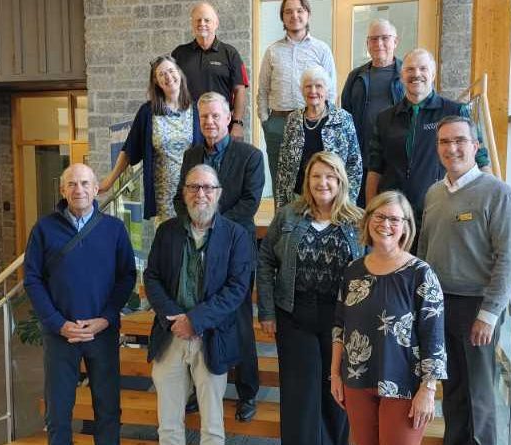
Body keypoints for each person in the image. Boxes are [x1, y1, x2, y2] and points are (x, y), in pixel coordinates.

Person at [418, 116, 511, 445]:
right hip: (439, 305)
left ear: (475, 146)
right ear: (437, 149)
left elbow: (509, 259)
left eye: (460, 140)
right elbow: (423, 250)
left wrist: (488, 314)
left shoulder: (498, 194)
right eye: (444, 142)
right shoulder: (434, 193)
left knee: (479, 397)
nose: (452, 148)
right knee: (454, 392)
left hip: (476, 307)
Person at [24, 163, 137, 445]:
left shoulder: (114, 229)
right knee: (58, 412)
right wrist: (57, 323)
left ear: (96, 189)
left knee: (108, 408)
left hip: (102, 333)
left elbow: (126, 277)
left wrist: (107, 318)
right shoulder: (44, 229)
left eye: (85, 183)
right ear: (62, 190)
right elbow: (32, 280)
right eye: (72, 184)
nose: (79, 190)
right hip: (61, 335)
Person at [257, 152, 363, 445]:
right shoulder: (288, 215)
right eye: (316, 176)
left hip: (341, 320)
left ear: (340, 180)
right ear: (307, 180)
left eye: (330, 176)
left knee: (336, 391)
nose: (323, 182)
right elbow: (265, 260)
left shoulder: (358, 221)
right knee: (299, 395)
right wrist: (266, 311)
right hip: (294, 315)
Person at [145, 164, 253, 445]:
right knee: (168, 425)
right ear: (184, 193)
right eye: (193, 187)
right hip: (170, 335)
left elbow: (236, 289)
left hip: (211, 336)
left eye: (207, 188)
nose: (200, 194)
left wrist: (195, 320)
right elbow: (152, 276)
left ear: (218, 194)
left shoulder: (236, 236)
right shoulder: (167, 231)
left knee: (212, 426)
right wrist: (173, 318)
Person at [174, 91, 265, 422]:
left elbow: (248, 205)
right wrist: (194, 227)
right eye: (204, 118)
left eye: (215, 116)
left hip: (234, 250)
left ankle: (247, 392)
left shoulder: (251, 156)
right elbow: (178, 198)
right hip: (195, 250)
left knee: (238, 322)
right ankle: (200, 390)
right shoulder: (191, 156)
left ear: (229, 118)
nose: (209, 122)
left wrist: (211, 226)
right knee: (201, 319)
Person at [330, 190, 447, 445]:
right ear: (368, 220)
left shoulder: (420, 274)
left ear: (406, 227)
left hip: (404, 385)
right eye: (379, 216)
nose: (385, 225)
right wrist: (335, 375)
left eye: (395, 219)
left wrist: (428, 390)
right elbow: (340, 327)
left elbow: (434, 339)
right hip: (357, 382)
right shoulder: (353, 271)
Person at [365, 48, 490, 233]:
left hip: (440, 213)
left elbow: (480, 160)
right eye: (410, 69)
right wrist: (371, 213)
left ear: (432, 74)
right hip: (394, 217)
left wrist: (491, 204)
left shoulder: (455, 112)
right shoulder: (384, 119)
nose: (416, 74)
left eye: (423, 69)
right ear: (401, 76)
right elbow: (375, 170)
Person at [100, 55, 203, 223]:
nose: (168, 77)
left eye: (171, 71)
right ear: (156, 81)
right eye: (162, 74)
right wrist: (109, 182)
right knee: (168, 245)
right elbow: (129, 150)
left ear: (179, 72)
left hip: (195, 194)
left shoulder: (198, 110)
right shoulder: (147, 112)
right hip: (163, 197)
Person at [258, 0, 336, 196]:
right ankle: (283, 225)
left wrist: (325, 120)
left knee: (313, 179)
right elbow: (263, 89)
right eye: (288, 12)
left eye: (299, 10)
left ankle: (311, 225)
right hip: (278, 123)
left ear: (308, 14)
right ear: (283, 17)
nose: (294, 16)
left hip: (311, 122)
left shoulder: (322, 49)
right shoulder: (272, 51)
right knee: (281, 183)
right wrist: (266, 120)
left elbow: (331, 90)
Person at [275, 66, 362, 209]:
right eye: (308, 86)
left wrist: (348, 201)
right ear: (302, 90)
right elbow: (283, 166)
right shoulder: (293, 119)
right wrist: (281, 206)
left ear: (326, 90)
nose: (313, 91)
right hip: (298, 198)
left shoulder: (343, 118)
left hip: (333, 199)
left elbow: (355, 164)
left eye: (318, 86)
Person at [340, 19, 404, 207]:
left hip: (394, 158)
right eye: (374, 39)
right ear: (367, 44)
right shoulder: (356, 76)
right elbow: (345, 115)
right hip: (361, 156)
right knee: (360, 210)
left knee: (391, 209)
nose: (379, 44)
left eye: (385, 38)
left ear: (395, 42)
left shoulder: (405, 74)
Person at [171, 2, 249, 140]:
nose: (202, 23)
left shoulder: (230, 53)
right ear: (192, 24)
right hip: (186, 127)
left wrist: (237, 124)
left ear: (216, 23)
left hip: (221, 126)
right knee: (191, 161)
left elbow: (240, 90)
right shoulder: (179, 54)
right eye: (198, 20)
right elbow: (169, 90)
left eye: (207, 20)